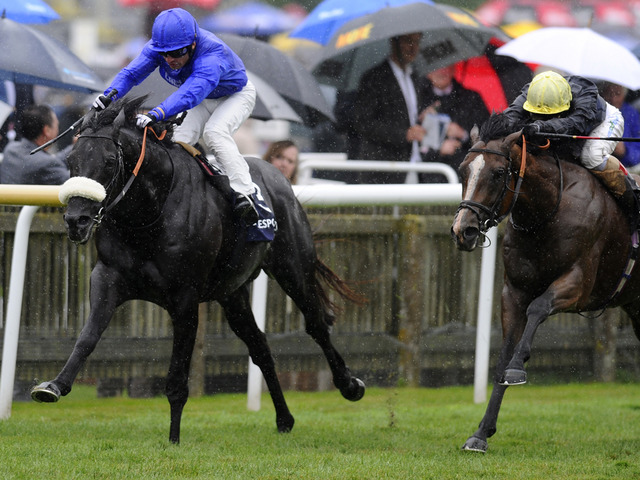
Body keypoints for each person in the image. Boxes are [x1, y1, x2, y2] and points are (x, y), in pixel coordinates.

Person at [93, 7, 258, 224]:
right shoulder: (161, 47)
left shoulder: (212, 54)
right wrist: (108, 95)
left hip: (235, 96)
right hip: (204, 98)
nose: (170, 59)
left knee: (214, 133)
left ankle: (246, 192)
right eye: (165, 54)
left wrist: (157, 113)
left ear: (193, 44)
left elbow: (191, 94)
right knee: (178, 141)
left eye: (177, 53)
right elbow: (131, 74)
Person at [503, 70, 640, 217]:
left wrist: (540, 126)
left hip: (603, 121)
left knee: (591, 157)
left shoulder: (585, 99)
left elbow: (575, 125)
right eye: (539, 115)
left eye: (549, 116)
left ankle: (634, 196)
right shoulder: (531, 93)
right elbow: (508, 118)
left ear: (566, 105)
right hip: (573, 123)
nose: (544, 119)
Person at [350, 33, 426, 184]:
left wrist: (424, 117)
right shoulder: (374, 77)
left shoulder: (415, 76)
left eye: (417, 42)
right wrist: (403, 134)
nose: (414, 48)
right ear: (393, 42)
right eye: (408, 41)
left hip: (413, 163)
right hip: (383, 167)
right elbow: (363, 122)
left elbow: (409, 116)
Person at [418, 64, 490, 183]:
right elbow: (408, 140)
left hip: (465, 174)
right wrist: (438, 149)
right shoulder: (416, 99)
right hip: (426, 176)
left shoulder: (471, 98)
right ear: (428, 72)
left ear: (453, 69)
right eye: (436, 67)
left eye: (446, 66)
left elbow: (487, 135)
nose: (442, 71)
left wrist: (464, 134)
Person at [0, 104, 71, 185]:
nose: (58, 129)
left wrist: (76, 147)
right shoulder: (46, 164)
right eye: (57, 125)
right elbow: (74, 181)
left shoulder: (11, 149)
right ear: (47, 130)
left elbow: (50, 160)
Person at [599, 81, 640, 173]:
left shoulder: (631, 113)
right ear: (603, 93)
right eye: (609, 94)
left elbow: (638, 145)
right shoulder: (598, 110)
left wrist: (625, 151)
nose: (613, 99)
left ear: (624, 96)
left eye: (617, 94)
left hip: (627, 167)